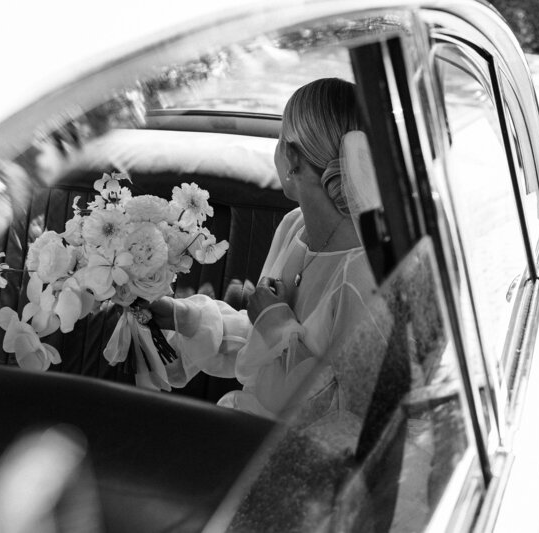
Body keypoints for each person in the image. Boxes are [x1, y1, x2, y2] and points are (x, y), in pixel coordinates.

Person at [148, 77, 386, 423]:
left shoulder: (363, 274)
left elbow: (350, 416)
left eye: (279, 139)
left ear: (290, 157)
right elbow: (262, 348)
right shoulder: (294, 226)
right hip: (251, 427)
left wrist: (277, 325)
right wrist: (186, 317)